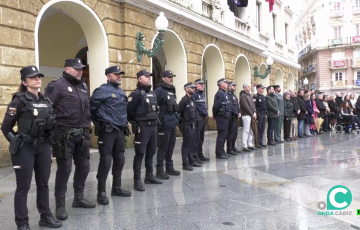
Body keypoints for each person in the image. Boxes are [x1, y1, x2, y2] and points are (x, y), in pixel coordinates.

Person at [1, 66, 62, 230]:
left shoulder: (46, 101)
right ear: (24, 81)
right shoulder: (18, 101)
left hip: (43, 148)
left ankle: (45, 216)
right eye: (33, 77)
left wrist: (50, 148)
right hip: (24, 150)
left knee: (43, 184)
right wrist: (17, 143)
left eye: (38, 76)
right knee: (23, 187)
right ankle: (22, 223)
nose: (37, 79)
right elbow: (6, 128)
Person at [44, 58, 95, 220]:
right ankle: (60, 204)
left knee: (84, 166)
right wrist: (51, 134)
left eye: (81, 68)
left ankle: (78, 198)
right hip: (64, 135)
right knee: (65, 169)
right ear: (67, 69)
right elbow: (47, 110)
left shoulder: (83, 86)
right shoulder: (56, 85)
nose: (80, 71)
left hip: (82, 135)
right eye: (76, 68)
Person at [90, 66, 131, 205]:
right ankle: (101, 192)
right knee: (106, 161)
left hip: (120, 130)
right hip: (107, 131)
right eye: (116, 74)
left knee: (120, 159)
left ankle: (116, 187)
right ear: (108, 76)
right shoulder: (101, 91)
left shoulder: (120, 91)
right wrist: (100, 123)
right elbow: (92, 109)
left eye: (120, 74)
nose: (119, 76)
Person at [126, 69, 162, 191]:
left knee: (151, 152)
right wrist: (136, 123)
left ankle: (149, 176)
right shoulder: (135, 94)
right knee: (140, 153)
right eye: (146, 76)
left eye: (150, 76)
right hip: (143, 127)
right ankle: (137, 180)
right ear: (140, 79)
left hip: (153, 126)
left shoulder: (152, 94)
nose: (149, 78)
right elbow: (129, 112)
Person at [154, 70, 181, 179]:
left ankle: (169, 168)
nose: (171, 79)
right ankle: (160, 170)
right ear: (163, 78)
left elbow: (175, 107)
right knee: (163, 148)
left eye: (172, 77)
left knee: (171, 147)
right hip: (164, 125)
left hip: (172, 124)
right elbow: (154, 107)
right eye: (169, 77)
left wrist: (177, 118)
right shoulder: (158, 91)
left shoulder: (172, 91)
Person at [179, 82, 201, 170]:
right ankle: (185, 163)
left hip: (193, 124)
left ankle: (191, 160)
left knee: (193, 144)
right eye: (192, 88)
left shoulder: (192, 100)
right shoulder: (184, 100)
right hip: (187, 125)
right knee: (186, 145)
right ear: (187, 89)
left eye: (194, 88)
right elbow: (179, 113)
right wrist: (181, 124)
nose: (194, 89)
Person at [212, 78, 232, 159]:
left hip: (225, 117)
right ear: (221, 84)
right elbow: (215, 106)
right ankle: (219, 153)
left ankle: (222, 151)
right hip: (221, 117)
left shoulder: (225, 93)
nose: (227, 84)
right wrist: (215, 115)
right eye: (225, 83)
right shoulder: (219, 94)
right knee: (221, 135)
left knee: (225, 135)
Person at [192, 79, 210, 161]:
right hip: (198, 120)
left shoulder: (202, 94)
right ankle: (195, 156)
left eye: (203, 84)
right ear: (196, 85)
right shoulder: (194, 94)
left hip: (203, 119)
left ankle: (200, 154)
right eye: (200, 84)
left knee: (201, 138)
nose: (202, 85)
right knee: (197, 139)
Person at [239, 82, 257, 152]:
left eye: (250, 87)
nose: (250, 88)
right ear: (244, 88)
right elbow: (245, 106)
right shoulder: (243, 95)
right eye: (248, 87)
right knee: (246, 130)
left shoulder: (249, 95)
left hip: (251, 115)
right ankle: (244, 145)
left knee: (251, 130)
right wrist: (251, 113)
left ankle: (250, 144)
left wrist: (254, 112)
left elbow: (253, 104)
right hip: (246, 115)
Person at [226, 81, 242, 154]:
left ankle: (233, 147)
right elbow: (230, 106)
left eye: (235, 85)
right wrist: (236, 112)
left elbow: (237, 106)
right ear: (229, 86)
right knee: (231, 133)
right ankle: (229, 148)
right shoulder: (228, 95)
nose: (234, 87)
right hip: (231, 117)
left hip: (236, 116)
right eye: (233, 85)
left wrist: (239, 112)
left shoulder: (234, 95)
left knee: (235, 133)